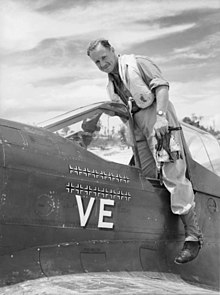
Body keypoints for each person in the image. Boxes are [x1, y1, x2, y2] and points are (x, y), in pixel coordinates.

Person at [87, 38, 203, 264]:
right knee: (148, 178)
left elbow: (162, 87)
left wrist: (161, 119)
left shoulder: (138, 63)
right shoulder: (112, 84)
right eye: (97, 62)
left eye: (104, 57)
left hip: (158, 124)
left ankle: (193, 236)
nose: (102, 64)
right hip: (138, 129)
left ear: (113, 51)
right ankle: (157, 233)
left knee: (173, 175)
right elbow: (122, 110)